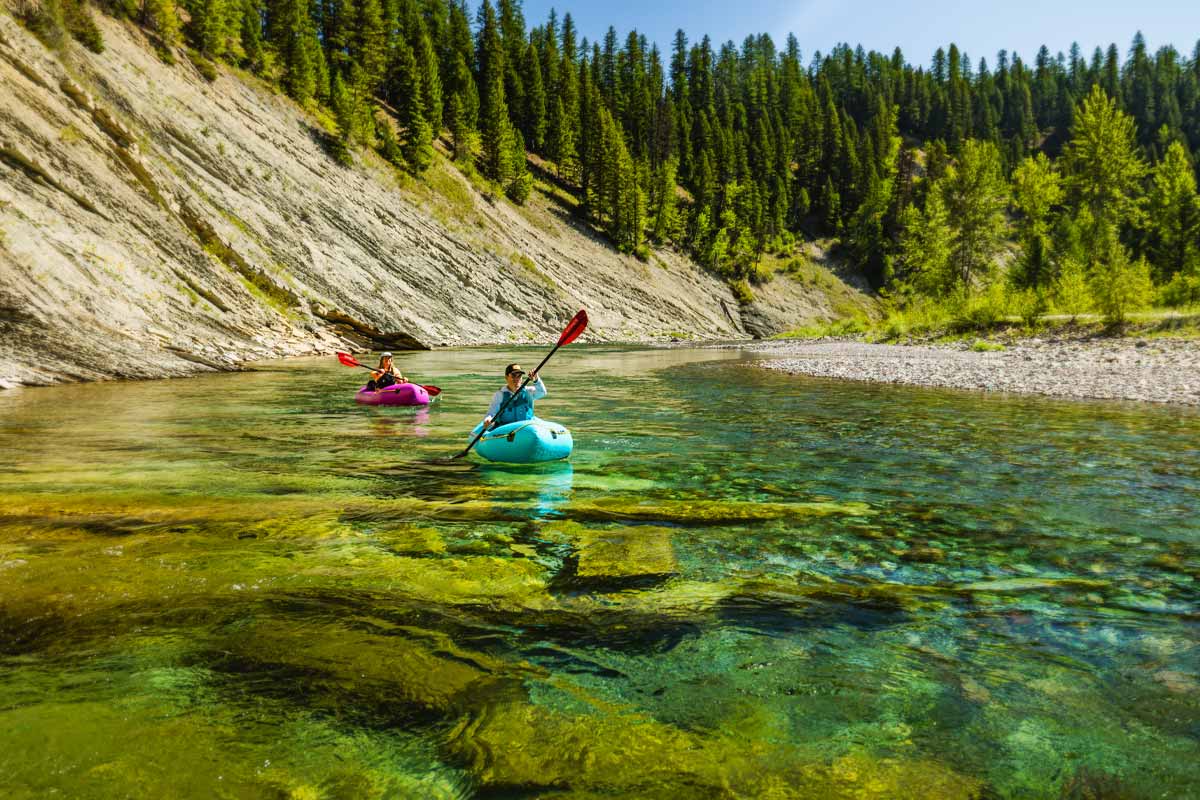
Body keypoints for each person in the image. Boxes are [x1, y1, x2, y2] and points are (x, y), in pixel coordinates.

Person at [481, 363, 546, 430]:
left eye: (519, 376)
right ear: (506, 377)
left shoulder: (528, 391)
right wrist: (488, 420)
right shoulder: (500, 394)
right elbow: (492, 413)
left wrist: (536, 379)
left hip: (527, 428)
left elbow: (542, 392)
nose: (517, 378)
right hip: (506, 428)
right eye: (513, 375)